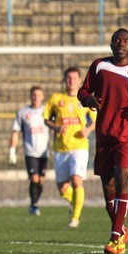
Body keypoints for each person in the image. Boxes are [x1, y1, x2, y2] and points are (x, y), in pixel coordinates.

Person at [78, 28, 128, 254]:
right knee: (108, 188)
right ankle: (121, 230)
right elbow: (82, 92)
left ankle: (115, 238)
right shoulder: (99, 66)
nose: (121, 43)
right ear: (111, 45)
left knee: (122, 180)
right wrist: (88, 99)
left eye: (125, 41)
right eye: (116, 40)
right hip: (104, 134)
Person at [44, 67, 96, 229]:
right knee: (62, 187)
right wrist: (56, 127)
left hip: (79, 147)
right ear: (64, 80)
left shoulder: (85, 100)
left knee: (76, 180)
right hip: (60, 147)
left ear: (80, 80)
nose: (71, 81)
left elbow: (96, 120)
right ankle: (76, 202)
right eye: (69, 78)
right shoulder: (56, 99)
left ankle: (75, 218)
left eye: (74, 78)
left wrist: (88, 129)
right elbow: (46, 119)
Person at [9, 86, 49, 216]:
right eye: (33, 95)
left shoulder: (47, 111)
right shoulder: (22, 112)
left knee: (41, 180)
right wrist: (12, 150)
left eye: (38, 95)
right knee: (34, 178)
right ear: (30, 96)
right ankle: (34, 205)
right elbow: (16, 131)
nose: (36, 97)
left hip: (44, 152)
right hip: (30, 151)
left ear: (43, 97)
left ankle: (34, 202)